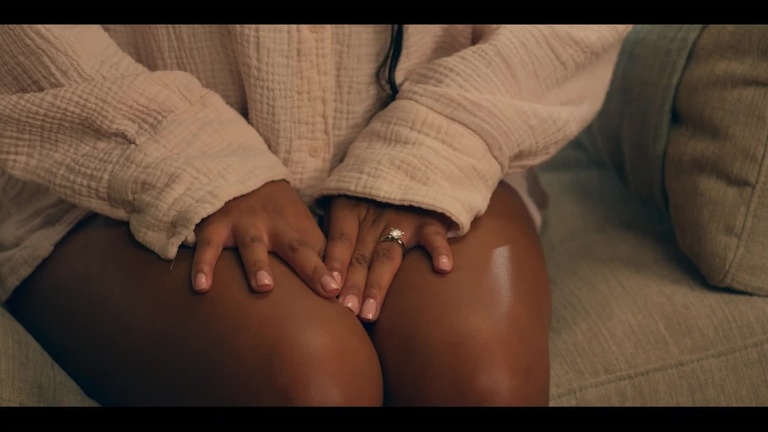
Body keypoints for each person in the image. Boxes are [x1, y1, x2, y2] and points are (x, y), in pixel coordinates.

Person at [0, 24, 630, 406]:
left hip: (445, 140)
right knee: (312, 382)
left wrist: (432, 146)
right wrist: (183, 154)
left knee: (480, 380)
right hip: (106, 151)